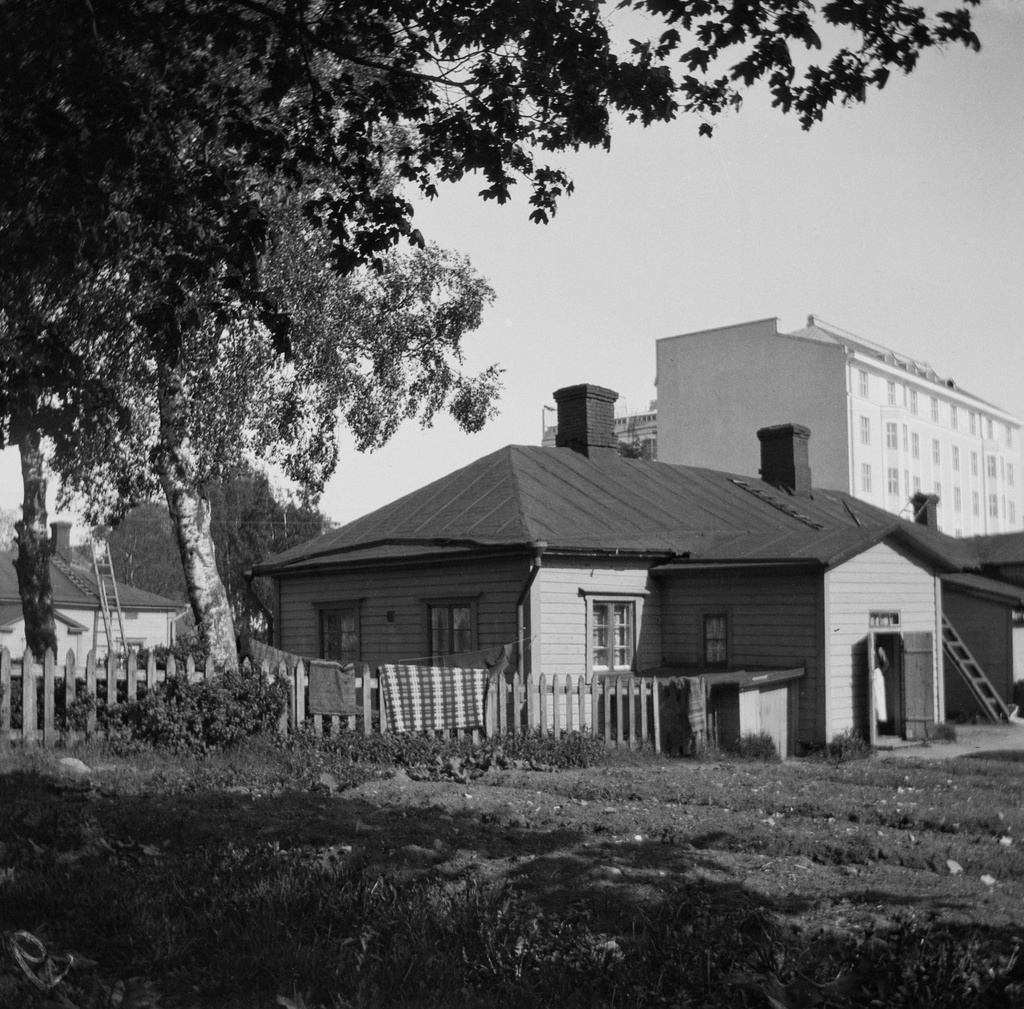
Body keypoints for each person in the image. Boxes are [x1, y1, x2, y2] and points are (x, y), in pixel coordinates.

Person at [873, 646, 889, 727]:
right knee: (873, 700)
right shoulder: (869, 650)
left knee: (879, 699)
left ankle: (880, 724)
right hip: (871, 675)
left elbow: (886, 663)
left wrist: (879, 672)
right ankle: (875, 724)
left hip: (876, 674)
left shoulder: (879, 649)